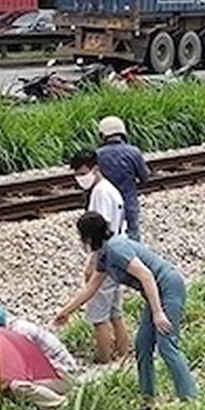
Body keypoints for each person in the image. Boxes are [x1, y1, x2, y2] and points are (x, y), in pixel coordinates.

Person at [55, 212, 197, 410]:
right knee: (142, 346)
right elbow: (91, 288)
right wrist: (66, 311)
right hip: (155, 293)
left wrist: (158, 313)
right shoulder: (104, 256)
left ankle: (190, 401)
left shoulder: (116, 248)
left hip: (167, 287)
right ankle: (148, 400)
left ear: (89, 236)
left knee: (167, 344)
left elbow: (147, 275)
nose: (81, 241)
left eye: (81, 236)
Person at [69, 148, 131, 364]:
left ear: (95, 169)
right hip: (118, 255)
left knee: (98, 316)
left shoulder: (101, 193)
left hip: (106, 258)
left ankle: (104, 361)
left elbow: (99, 232)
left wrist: (92, 264)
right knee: (114, 311)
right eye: (76, 174)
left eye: (82, 172)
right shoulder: (108, 189)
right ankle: (123, 354)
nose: (80, 178)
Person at [0, 301, 79, 402]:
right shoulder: (5, 330)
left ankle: (61, 404)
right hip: (45, 371)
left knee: (18, 386)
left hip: (62, 374)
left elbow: (16, 374)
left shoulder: (19, 334)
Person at [96, 116, 151, 242]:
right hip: (128, 204)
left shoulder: (97, 155)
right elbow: (145, 177)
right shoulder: (133, 152)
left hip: (105, 205)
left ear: (102, 135)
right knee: (132, 239)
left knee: (106, 240)